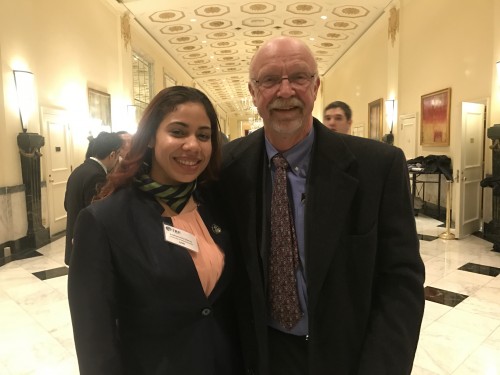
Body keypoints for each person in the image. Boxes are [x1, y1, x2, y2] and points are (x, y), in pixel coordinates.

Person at [219, 36, 425, 375]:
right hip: (259, 355)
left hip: (345, 356)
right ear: (254, 93)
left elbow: (400, 282)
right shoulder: (227, 166)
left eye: (299, 77)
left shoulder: (377, 167)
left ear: (315, 86)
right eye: (270, 80)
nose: (285, 91)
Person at [67, 86, 242, 375]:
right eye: (178, 132)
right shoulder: (104, 220)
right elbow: (94, 339)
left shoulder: (213, 203)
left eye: (203, 135)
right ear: (149, 137)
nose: (193, 145)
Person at [64, 131, 123, 265]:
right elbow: (97, 215)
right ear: (112, 154)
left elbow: (67, 205)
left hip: (75, 238)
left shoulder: (78, 170)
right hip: (87, 243)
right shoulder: (97, 176)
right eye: (119, 155)